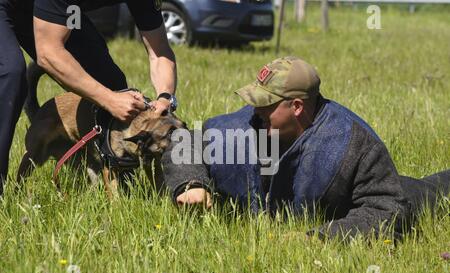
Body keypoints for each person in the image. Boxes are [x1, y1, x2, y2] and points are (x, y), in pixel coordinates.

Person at [162, 56, 450, 241]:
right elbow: (184, 141)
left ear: (297, 107)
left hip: (365, 199)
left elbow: (388, 208)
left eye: (266, 104)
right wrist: (189, 184)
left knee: (431, 193)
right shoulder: (247, 122)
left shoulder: (353, 143)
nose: (255, 110)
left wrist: (318, 238)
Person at [0, 0, 178, 196]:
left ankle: (120, 180)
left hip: (57, 8)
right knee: (9, 73)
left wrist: (165, 97)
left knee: (109, 79)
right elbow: (49, 54)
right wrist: (109, 100)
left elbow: (159, 51)